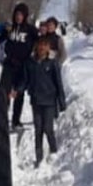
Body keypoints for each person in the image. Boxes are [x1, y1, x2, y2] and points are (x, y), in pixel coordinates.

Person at [25, 35, 67, 165]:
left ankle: (53, 153)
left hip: (49, 101)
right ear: (36, 47)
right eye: (40, 45)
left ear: (48, 48)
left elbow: (58, 83)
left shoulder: (52, 63)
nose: (42, 48)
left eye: (45, 45)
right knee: (38, 129)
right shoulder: (31, 63)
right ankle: (39, 157)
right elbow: (25, 80)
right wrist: (17, 89)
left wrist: (61, 101)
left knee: (48, 128)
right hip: (36, 100)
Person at [0, 2, 38, 128]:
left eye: (21, 15)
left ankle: (16, 120)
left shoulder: (31, 30)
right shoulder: (10, 28)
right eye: (17, 14)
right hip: (9, 63)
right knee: (4, 91)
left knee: (19, 93)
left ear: (25, 16)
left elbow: (41, 41)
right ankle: (2, 119)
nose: (18, 17)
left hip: (22, 65)